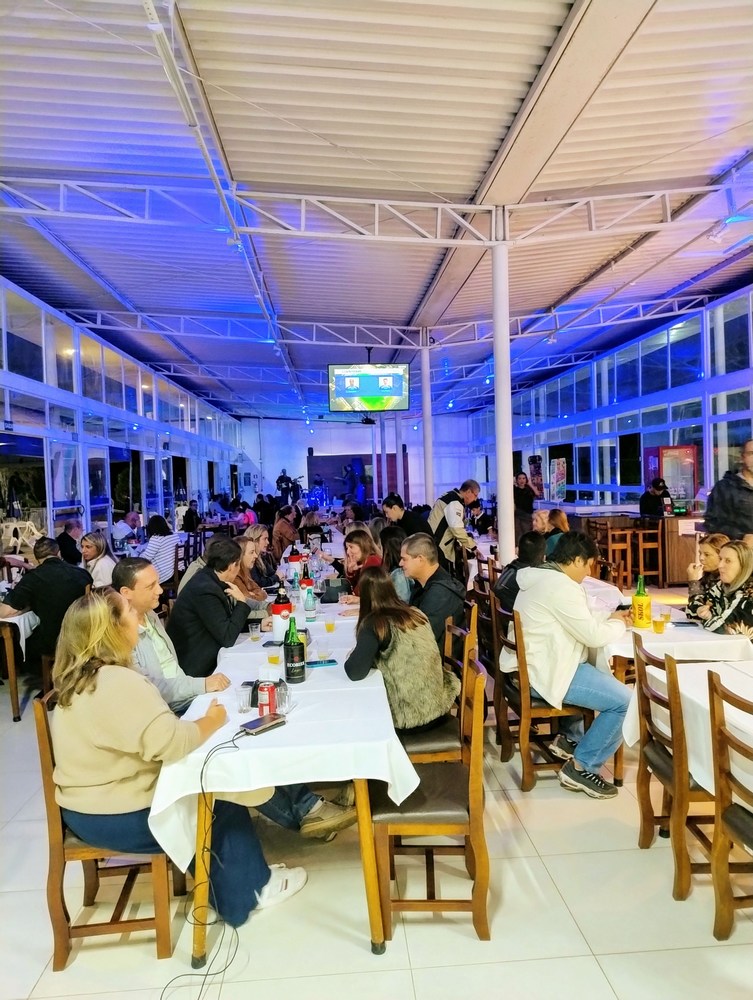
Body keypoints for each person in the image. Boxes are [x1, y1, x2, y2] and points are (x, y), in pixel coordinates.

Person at [51, 590, 306, 925]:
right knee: (217, 800)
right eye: (130, 612)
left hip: (83, 809)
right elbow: (172, 742)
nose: (138, 618)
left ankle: (234, 884)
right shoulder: (117, 681)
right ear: (112, 629)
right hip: (116, 815)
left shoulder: (79, 678)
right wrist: (212, 721)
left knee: (209, 785)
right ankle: (251, 892)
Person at [114, 558, 356, 839]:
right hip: (170, 711)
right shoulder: (123, 634)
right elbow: (151, 688)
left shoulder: (150, 617)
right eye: (151, 586)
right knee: (235, 742)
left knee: (257, 719)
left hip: (185, 695)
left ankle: (309, 807)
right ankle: (307, 812)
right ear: (126, 593)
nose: (161, 590)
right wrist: (201, 684)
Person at [499, 531, 632, 799]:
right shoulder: (561, 586)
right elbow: (593, 636)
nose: (588, 573)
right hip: (547, 672)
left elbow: (577, 619)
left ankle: (571, 740)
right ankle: (582, 767)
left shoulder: (540, 576)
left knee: (603, 681)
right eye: (589, 565)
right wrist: (619, 623)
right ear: (577, 560)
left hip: (532, 666)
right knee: (626, 702)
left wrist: (609, 618)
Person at [344, 566, 460, 731]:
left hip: (408, 717)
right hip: (438, 705)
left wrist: (354, 653)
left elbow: (355, 672)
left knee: (355, 717)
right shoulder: (415, 613)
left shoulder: (376, 623)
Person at [167, 537, 268, 678]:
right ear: (232, 566)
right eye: (238, 565)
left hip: (207, 654)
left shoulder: (210, 578)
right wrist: (241, 602)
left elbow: (222, 623)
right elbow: (227, 637)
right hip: (197, 667)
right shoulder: (205, 590)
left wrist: (259, 624)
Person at [0, 536, 91, 675]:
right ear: (59, 553)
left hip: (53, 641)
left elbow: (5, 612)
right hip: (85, 636)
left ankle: (44, 679)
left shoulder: (32, 578)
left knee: (22, 642)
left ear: (37, 558)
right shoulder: (82, 574)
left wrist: (26, 607)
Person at [400, 533, 465, 648]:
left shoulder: (440, 593)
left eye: (404, 559)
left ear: (420, 559)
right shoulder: (423, 585)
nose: (400, 563)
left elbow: (422, 638)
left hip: (433, 656)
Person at [691, 539, 753, 635]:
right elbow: (691, 611)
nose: (720, 565)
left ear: (743, 565)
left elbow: (723, 628)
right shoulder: (721, 585)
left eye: (728, 561)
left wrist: (708, 617)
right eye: (720, 559)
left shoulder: (749, 593)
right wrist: (701, 611)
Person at [426, 479, 480, 577]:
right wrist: (473, 547)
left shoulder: (450, 496)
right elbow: (456, 529)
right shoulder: (454, 502)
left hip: (433, 543)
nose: (476, 499)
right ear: (468, 491)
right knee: (441, 579)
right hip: (439, 546)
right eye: (475, 495)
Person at [705, 440, 753, 543]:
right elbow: (713, 523)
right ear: (742, 457)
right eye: (751, 454)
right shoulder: (724, 487)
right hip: (739, 549)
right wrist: (742, 537)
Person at [493, 531, 547, 616]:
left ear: (518, 551)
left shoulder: (511, 566)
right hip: (512, 621)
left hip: (498, 617)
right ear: (542, 556)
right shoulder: (527, 577)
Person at [685, 533, 730, 622]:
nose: (701, 558)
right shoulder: (709, 576)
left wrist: (693, 582)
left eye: (707, 554)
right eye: (700, 553)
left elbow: (701, 612)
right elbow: (692, 609)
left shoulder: (726, 580)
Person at [342, 528, 382, 598]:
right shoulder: (361, 562)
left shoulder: (373, 561)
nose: (348, 552)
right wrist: (351, 572)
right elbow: (349, 589)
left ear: (363, 546)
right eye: (347, 548)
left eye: (351, 547)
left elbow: (358, 592)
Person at [141, 515, 180, 585]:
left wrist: (140, 554)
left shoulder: (156, 539)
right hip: (178, 571)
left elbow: (146, 558)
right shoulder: (174, 535)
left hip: (165, 575)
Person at [244, 523, 284, 588]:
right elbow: (259, 582)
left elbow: (272, 573)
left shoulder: (261, 556)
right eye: (265, 539)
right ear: (255, 540)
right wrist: (276, 577)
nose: (268, 542)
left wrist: (278, 576)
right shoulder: (249, 559)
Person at [379, 525, 411, 601]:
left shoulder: (399, 576)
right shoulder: (393, 571)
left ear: (386, 549)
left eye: (380, 545)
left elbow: (401, 603)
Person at [513, 472, 538, 543]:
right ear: (516, 480)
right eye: (520, 478)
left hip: (528, 514)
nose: (522, 480)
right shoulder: (514, 490)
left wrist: (530, 484)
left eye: (524, 478)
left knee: (527, 533)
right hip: (518, 514)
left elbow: (537, 493)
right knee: (518, 534)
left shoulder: (529, 489)